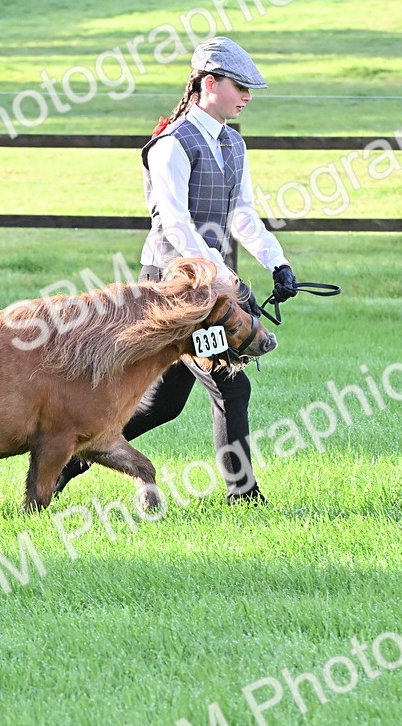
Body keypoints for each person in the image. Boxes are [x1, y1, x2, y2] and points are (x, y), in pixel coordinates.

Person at [55, 36, 300, 504]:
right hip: (170, 289)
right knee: (231, 384)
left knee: (164, 404)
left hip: (210, 287)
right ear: (209, 84)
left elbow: (242, 214)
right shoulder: (171, 144)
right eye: (240, 86)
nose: (247, 96)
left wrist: (278, 262)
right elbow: (175, 222)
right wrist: (219, 275)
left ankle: (67, 457)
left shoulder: (233, 143)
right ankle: (243, 495)